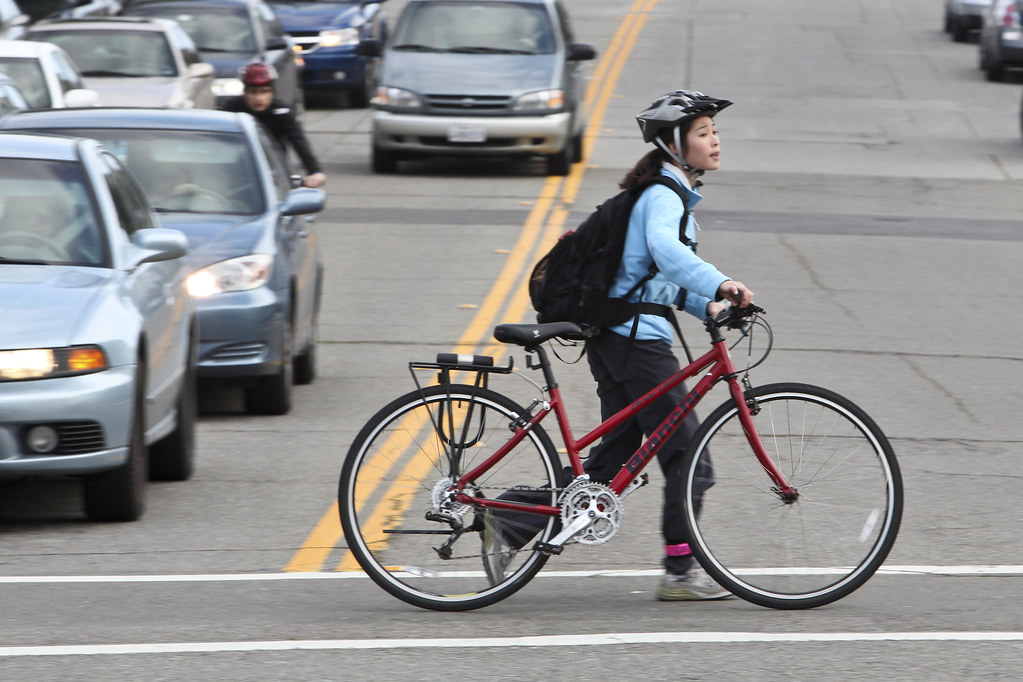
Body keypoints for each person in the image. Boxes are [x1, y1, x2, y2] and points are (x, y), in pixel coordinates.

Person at [484, 89, 755, 601]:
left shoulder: (667, 194)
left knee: (609, 466)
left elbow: (655, 279)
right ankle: (679, 572)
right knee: (687, 454)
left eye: (715, 131)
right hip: (636, 346)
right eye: (703, 133)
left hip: (620, 341)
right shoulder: (662, 196)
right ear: (675, 145)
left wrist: (707, 306)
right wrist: (721, 283)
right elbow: (667, 255)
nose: (715, 140)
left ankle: (509, 520)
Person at [220, 63, 326, 189]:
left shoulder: (281, 110)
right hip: (237, 169)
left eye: (264, 92)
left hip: (274, 169)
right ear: (244, 92)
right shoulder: (231, 110)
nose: (259, 98)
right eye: (253, 92)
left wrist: (314, 171)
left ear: (272, 93)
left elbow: (298, 140)